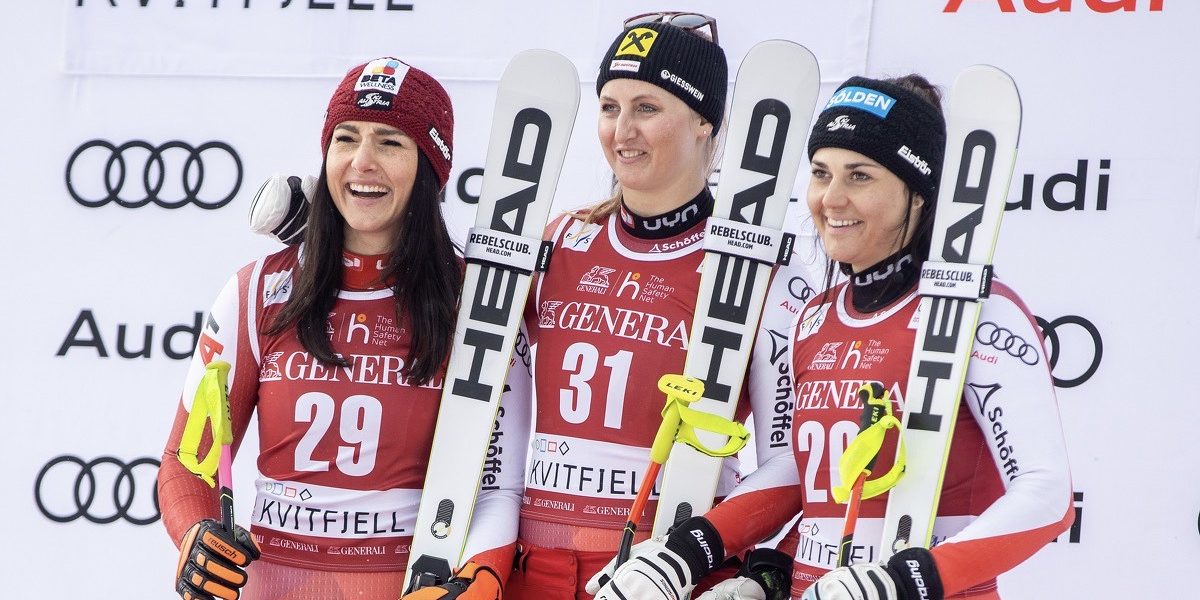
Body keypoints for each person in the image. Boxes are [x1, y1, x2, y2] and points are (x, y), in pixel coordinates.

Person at [158, 57, 524, 600]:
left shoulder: (471, 300)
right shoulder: (257, 291)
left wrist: (483, 578)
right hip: (274, 584)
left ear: (431, 168)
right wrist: (195, 535)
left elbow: (496, 483)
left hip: (406, 585)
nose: (361, 162)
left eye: (390, 143)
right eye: (345, 138)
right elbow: (186, 462)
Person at [699, 75, 1074, 600]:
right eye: (821, 173)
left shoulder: (982, 313)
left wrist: (907, 579)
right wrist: (746, 565)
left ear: (917, 193)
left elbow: (1047, 493)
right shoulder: (812, 319)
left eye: (859, 176)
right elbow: (808, 486)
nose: (831, 198)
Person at [504, 13, 808, 600]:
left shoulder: (759, 269)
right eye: (610, 107)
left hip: (663, 573)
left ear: (702, 122)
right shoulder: (557, 242)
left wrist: (689, 553)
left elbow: (794, 459)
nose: (622, 131)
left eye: (647, 108)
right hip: (534, 570)